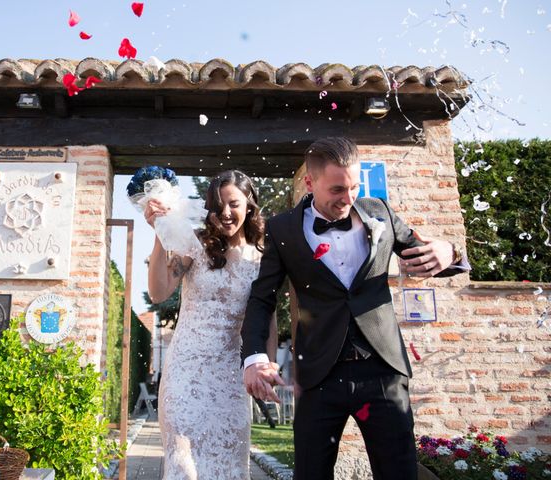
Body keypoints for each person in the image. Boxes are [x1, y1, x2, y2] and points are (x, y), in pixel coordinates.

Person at [241, 137, 468, 480]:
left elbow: (429, 253)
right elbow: (262, 299)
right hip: (318, 375)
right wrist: (255, 358)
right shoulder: (282, 228)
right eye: (336, 190)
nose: (348, 199)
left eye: (354, 187)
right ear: (309, 182)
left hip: (383, 371)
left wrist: (448, 251)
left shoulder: (380, 212)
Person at [145, 170, 278, 479]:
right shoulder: (195, 245)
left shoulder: (264, 259)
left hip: (231, 377)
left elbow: (267, 319)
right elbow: (158, 291)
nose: (226, 213)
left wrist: (267, 367)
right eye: (218, 206)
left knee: (228, 468)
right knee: (183, 466)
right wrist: (158, 233)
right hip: (185, 373)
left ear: (249, 204)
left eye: (234, 204)